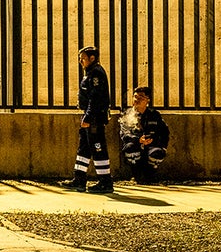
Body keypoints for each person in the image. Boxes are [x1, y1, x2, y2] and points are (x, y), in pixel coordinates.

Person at [65, 45, 114, 194]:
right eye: (80, 59)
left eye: (83, 59)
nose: (81, 62)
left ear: (92, 58)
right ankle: (79, 178)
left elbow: (96, 98)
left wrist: (88, 116)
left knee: (98, 148)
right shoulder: (90, 72)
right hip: (89, 115)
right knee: (84, 148)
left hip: (94, 118)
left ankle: (105, 181)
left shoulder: (96, 74)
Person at [118, 85, 170, 184]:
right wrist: (138, 140)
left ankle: (150, 175)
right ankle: (136, 175)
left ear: (148, 100)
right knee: (130, 148)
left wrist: (163, 146)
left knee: (158, 152)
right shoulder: (127, 114)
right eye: (135, 97)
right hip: (135, 145)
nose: (137, 100)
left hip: (151, 146)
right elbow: (124, 133)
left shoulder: (154, 115)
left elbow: (164, 132)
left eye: (141, 97)